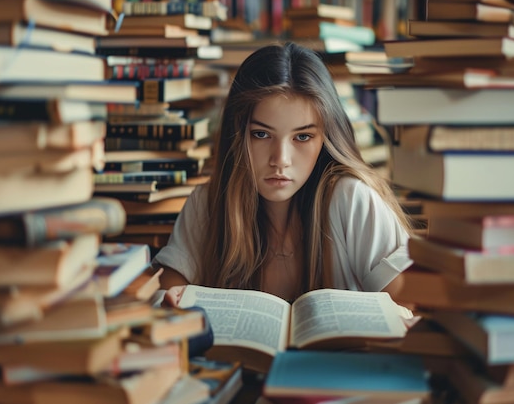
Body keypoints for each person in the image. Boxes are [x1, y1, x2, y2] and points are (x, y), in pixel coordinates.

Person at [152, 42, 413, 304]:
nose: (281, 160)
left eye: (302, 136)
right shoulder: (207, 203)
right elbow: (166, 294)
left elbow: (406, 305)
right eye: (261, 134)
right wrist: (171, 301)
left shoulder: (351, 199)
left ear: (326, 138)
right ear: (237, 135)